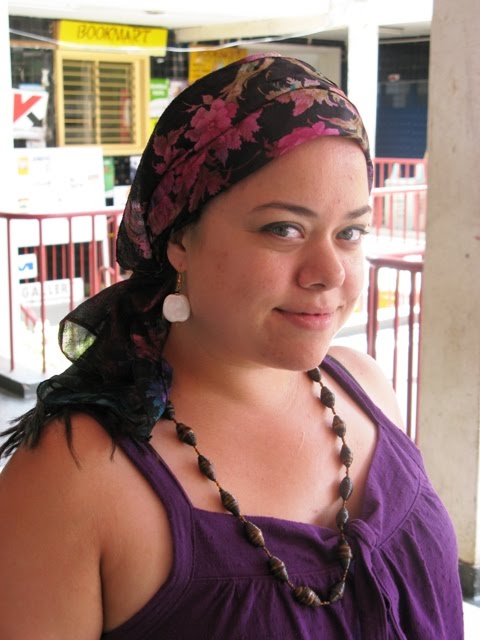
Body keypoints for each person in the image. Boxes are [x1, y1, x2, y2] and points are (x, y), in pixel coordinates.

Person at [0, 53, 463, 639]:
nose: (330, 273)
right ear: (179, 239)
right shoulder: (73, 478)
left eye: (350, 232)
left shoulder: (364, 387)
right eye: (283, 229)